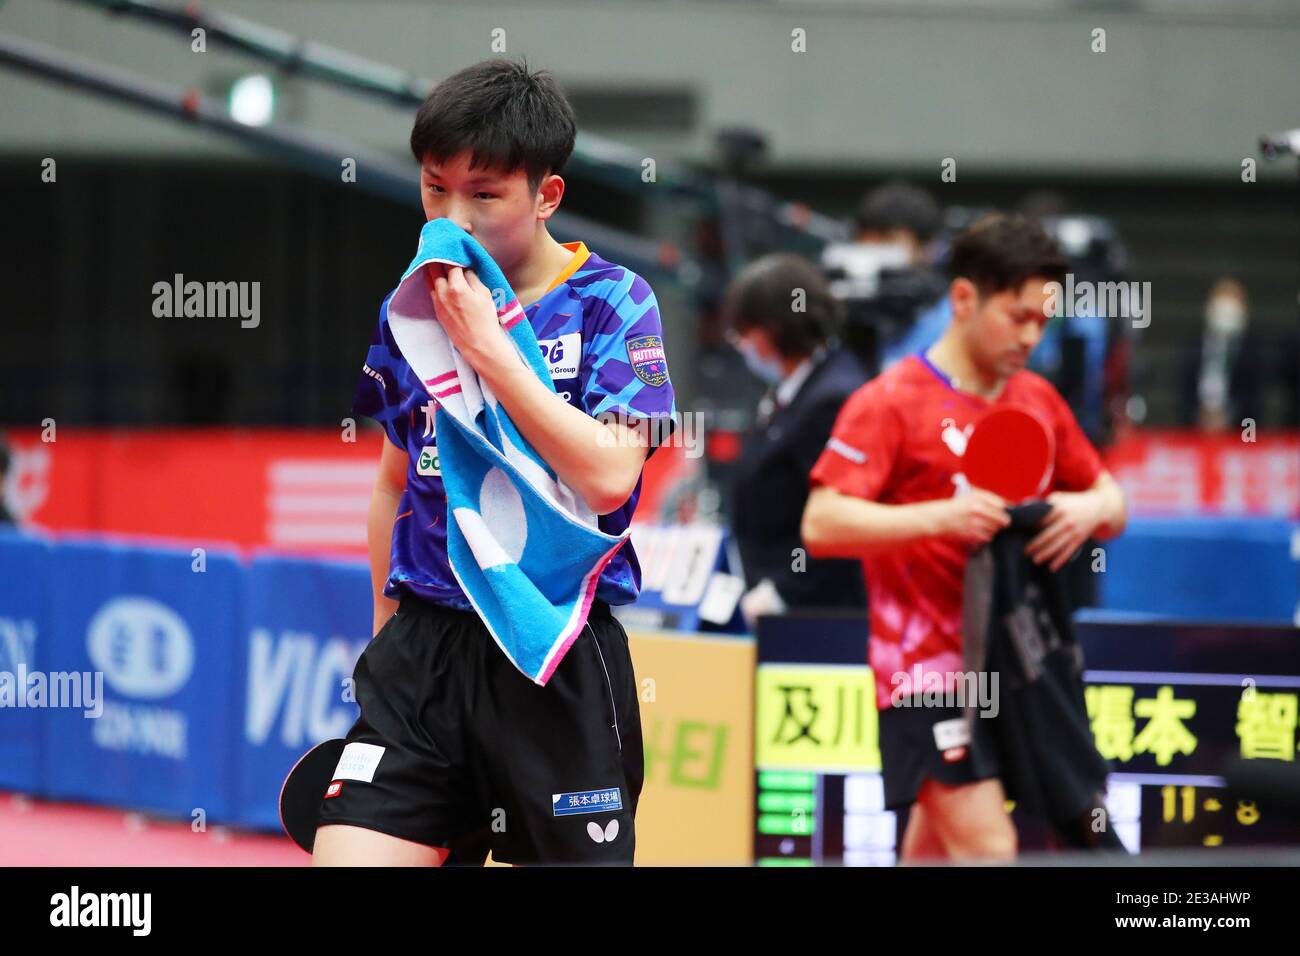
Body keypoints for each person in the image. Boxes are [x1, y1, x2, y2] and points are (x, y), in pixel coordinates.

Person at [314, 59, 676, 866]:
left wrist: (492, 351)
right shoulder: (413, 304)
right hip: (425, 654)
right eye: (434, 188)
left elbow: (613, 475)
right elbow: (391, 484)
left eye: (484, 195)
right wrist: (384, 641)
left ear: (545, 195)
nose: (454, 217)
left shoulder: (614, 303)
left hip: (552, 648)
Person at [801, 213, 1127, 861]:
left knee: (938, 851)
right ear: (963, 299)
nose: (1033, 336)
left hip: (1015, 668)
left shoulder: (1037, 400)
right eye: (1018, 316)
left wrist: (1085, 509)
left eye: (1044, 319)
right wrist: (941, 518)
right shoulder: (889, 401)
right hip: (923, 674)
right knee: (988, 849)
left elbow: (1112, 501)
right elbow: (822, 524)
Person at [724, 253, 868, 620]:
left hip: (819, 614)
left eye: (746, 331)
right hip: (771, 595)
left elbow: (839, 519)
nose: (740, 343)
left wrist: (783, 591)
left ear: (774, 328)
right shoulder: (788, 391)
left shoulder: (833, 397)